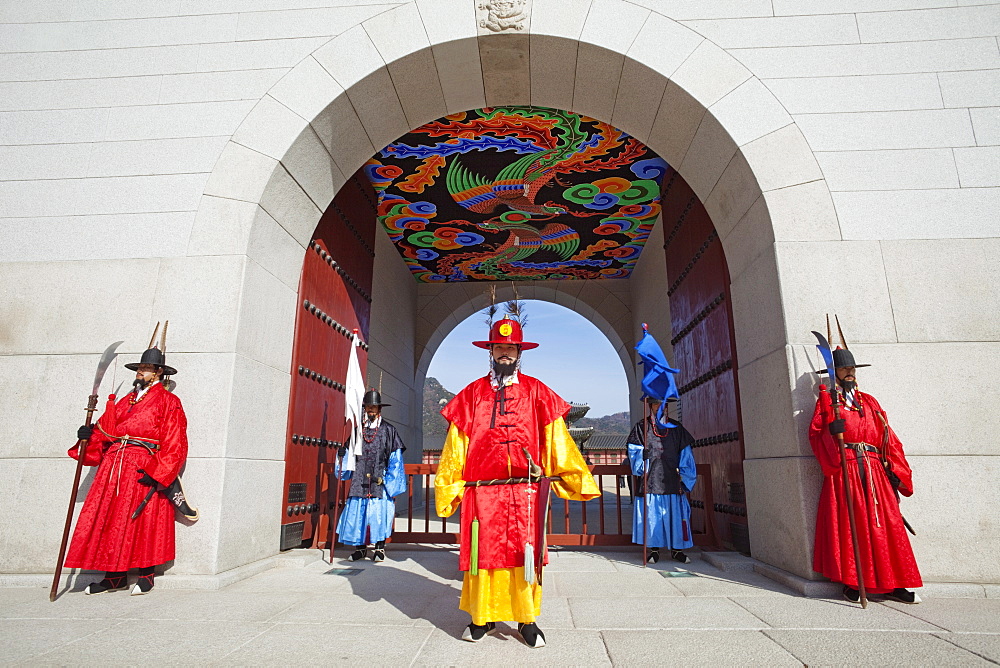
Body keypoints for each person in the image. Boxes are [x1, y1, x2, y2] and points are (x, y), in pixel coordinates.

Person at [435, 315, 600, 648]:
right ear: (491, 351)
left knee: (523, 555)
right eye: (500, 347)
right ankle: (482, 617)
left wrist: (571, 474)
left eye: (511, 348)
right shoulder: (471, 395)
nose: (505, 353)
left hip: (524, 492)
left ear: (519, 351)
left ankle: (526, 619)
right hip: (481, 494)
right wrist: (450, 485)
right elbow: (456, 447)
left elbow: (556, 437)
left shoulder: (536, 391)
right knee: (483, 556)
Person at [66, 333, 189, 595]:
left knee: (142, 519)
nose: (141, 372)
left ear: (157, 373)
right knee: (111, 519)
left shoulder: (169, 402)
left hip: (144, 465)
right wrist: (88, 437)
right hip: (114, 467)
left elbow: (174, 441)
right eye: (140, 368)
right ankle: (114, 575)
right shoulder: (126, 401)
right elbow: (106, 429)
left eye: (146, 368)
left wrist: (159, 473)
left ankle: (146, 575)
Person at [809, 345, 922, 603]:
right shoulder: (828, 401)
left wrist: (896, 469)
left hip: (874, 469)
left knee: (888, 526)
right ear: (834, 373)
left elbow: (889, 439)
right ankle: (852, 581)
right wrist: (830, 431)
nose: (849, 373)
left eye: (852, 369)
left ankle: (895, 583)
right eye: (844, 369)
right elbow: (816, 435)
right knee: (852, 525)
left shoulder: (869, 402)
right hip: (845, 467)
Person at [336, 389, 406, 562]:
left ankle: (379, 548)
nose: (371, 410)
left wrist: (388, 480)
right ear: (365, 408)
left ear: (379, 409)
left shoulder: (389, 430)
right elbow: (349, 457)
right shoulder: (358, 431)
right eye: (368, 407)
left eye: (374, 407)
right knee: (357, 514)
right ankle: (360, 549)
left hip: (379, 480)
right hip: (360, 478)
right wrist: (342, 455)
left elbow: (395, 459)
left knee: (378, 515)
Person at [627, 399, 697, 564]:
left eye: (663, 404)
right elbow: (634, 454)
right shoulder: (641, 428)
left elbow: (686, 456)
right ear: (650, 406)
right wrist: (641, 459)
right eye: (656, 404)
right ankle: (654, 550)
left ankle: (677, 550)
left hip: (672, 479)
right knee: (652, 517)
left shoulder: (677, 428)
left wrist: (686, 480)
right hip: (651, 480)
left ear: (667, 406)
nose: (660, 407)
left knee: (676, 516)